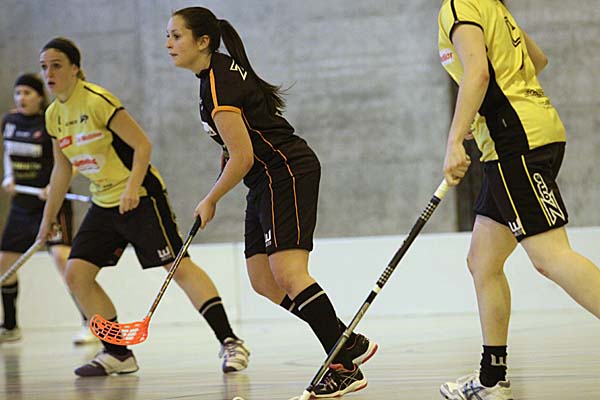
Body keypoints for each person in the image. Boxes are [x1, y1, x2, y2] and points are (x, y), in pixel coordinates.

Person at [165, 7, 378, 398]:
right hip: (263, 180)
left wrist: (211, 198)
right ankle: (343, 340)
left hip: (285, 171)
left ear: (203, 41)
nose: (169, 44)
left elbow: (243, 155)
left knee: (290, 273)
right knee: (262, 279)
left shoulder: (218, 82)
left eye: (176, 36)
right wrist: (223, 168)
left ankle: (343, 365)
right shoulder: (213, 76)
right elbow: (236, 148)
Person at [36, 37, 249, 376]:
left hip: (141, 197)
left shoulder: (98, 101)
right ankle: (118, 353)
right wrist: (48, 220)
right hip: (104, 202)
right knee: (77, 275)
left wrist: (133, 187)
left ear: (75, 68)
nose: (49, 73)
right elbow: (62, 170)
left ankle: (230, 341)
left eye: (57, 65)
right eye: (44, 67)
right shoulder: (53, 116)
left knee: (178, 267)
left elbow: (142, 145)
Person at [437, 1, 600, 399]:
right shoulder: (492, 6)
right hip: (534, 132)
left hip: (515, 144)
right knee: (483, 261)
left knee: (550, 257)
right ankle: (492, 379)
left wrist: (455, 139)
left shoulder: (458, 7)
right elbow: (537, 58)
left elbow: (478, 73)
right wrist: (480, 113)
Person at [1, 73, 96, 345]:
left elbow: (72, 161)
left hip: (53, 203)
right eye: (18, 92)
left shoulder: (51, 121)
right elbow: (8, 152)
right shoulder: (9, 122)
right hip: (22, 204)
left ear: (40, 96)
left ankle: (90, 323)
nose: (21, 98)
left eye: (27, 93)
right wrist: (10, 177)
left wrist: (54, 187)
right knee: (4, 263)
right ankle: (10, 326)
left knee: (63, 260)